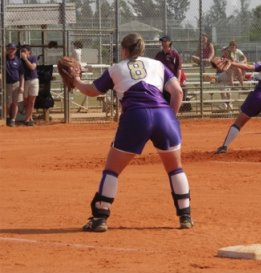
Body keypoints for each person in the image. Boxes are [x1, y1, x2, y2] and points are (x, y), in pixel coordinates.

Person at [72, 33, 193, 232]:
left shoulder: (116, 68)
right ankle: (185, 216)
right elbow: (178, 92)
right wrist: (170, 117)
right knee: (175, 168)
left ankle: (100, 217)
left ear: (125, 50)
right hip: (164, 114)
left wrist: (75, 80)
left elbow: (92, 91)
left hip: (136, 116)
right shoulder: (157, 65)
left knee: (112, 170)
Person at [154, 35, 183, 104]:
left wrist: (178, 80)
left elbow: (179, 68)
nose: (163, 43)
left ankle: (171, 114)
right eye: (162, 41)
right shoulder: (159, 54)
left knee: (171, 100)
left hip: (171, 81)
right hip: (162, 81)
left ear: (170, 42)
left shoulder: (174, 54)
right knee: (162, 100)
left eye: (165, 41)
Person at [5, 43, 24, 127]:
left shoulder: (18, 61)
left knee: (15, 103)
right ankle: (8, 117)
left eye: (13, 49)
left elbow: (22, 75)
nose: (11, 50)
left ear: (15, 50)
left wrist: (22, 86)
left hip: (16, 83)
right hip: (6, 84)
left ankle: (13, 120)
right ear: (7, 50)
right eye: (9, 49)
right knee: (8, 103)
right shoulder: (3, 60)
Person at [20, 45, 39, 126]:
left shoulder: (33, 57)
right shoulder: (20, 60)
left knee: (31, 101)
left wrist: (25, 59)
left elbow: (32, 67)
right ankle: (29, 117)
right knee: (26, 101)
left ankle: (27, 119)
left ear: (29, 52)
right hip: (26, 81)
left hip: (34, 80)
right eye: (22, 51)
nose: (23, 53)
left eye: (24, 51)